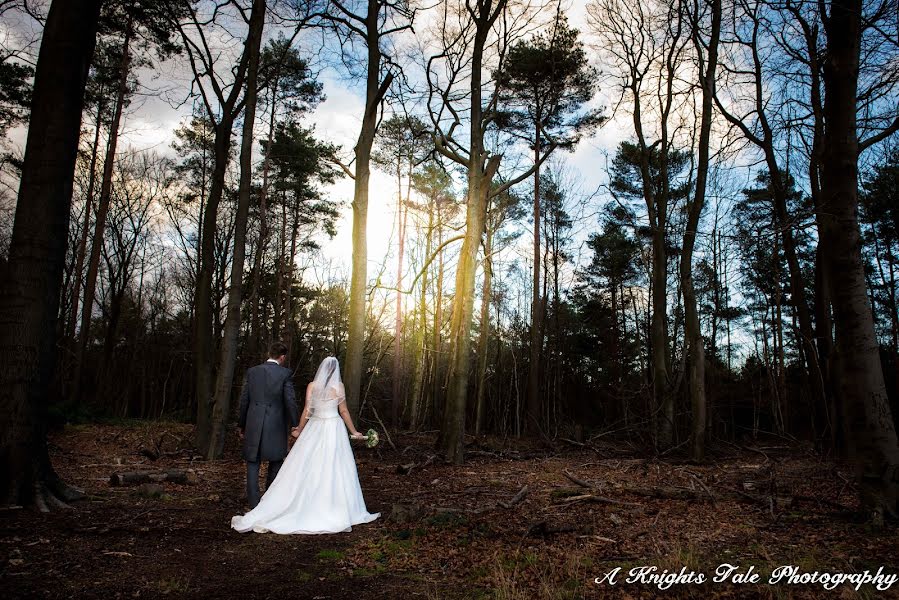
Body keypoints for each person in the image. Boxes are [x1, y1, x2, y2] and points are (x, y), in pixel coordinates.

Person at [231, 356, 380, 534]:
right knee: (334, 466)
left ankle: (303, 502)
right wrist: (354, 431)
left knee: (308, 465)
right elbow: (344, 411)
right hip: (333, 427)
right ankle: (332, 505)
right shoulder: (339, 387)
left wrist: (299, 429)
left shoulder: (312, 386)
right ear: (335, 371)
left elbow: (307, 410)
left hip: (315, 427)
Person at [237, 341, 299, 510]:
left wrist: (241, 424)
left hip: (253, 423)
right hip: (276, 424)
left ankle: (254, 505)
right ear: (282, 357)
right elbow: (290, 400)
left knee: (252, 462)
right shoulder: (285, 374)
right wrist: (295, 424)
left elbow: (244, 401)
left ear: (269, 354)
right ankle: (269, 503)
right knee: (276, 461)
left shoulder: (252, 372)